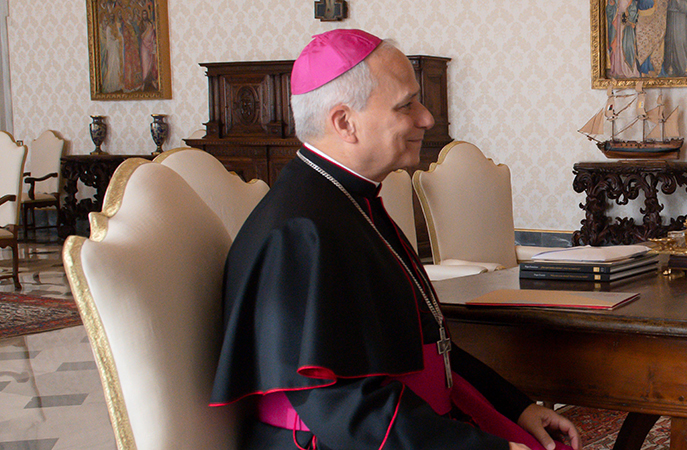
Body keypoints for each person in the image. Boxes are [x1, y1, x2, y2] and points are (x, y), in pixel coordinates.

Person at [209, 29, 581, 450]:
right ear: (344, 122)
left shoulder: (350, 200)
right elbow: (339, 407)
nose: (427, 118)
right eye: (407, 105)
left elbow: (431, 343)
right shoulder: (300, 234)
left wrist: (515, 406)